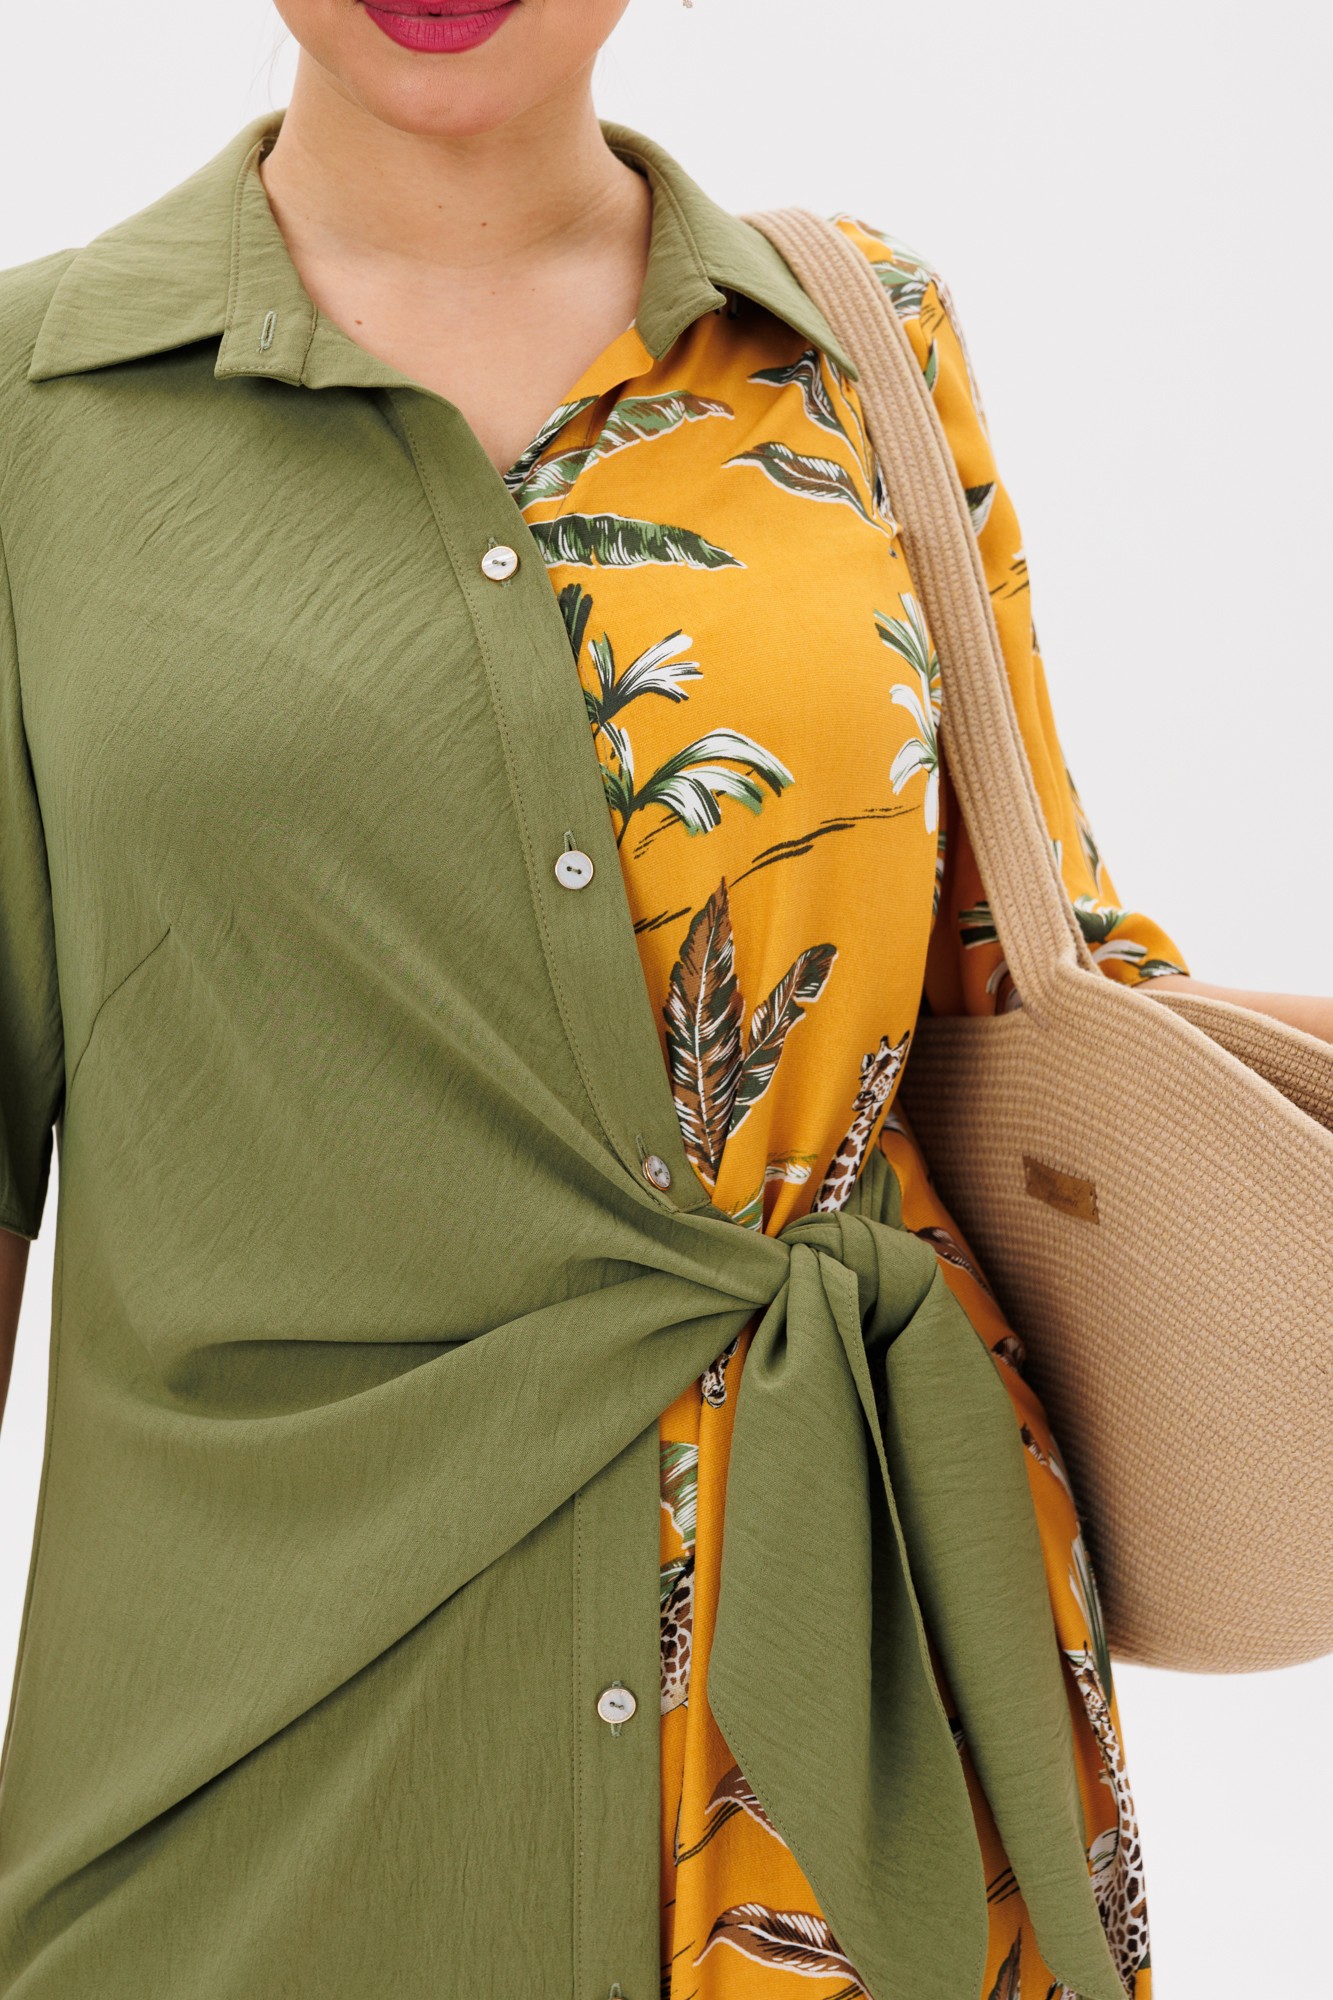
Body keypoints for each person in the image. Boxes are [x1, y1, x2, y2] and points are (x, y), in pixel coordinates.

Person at [0, 4, 1328, 1997]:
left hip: (866, 1724)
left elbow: (1034, 977)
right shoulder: (31, 412)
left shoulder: (858, 341)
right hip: (265, 1772)